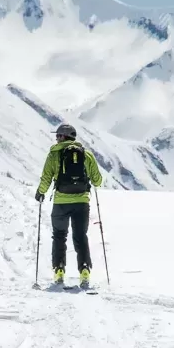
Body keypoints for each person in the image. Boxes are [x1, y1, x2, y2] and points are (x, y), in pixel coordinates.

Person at [35, 123, 103, 287]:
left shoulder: (54, 155)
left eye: (58, 136)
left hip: (61, 202)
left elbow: (46, 177)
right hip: (81, 202)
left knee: (59, 236)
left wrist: (40, 192)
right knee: (80, 236)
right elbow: (98, 181)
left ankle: (59, 270)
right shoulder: (86, 155)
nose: (56, 139)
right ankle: (85, 270)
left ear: (64, 137)